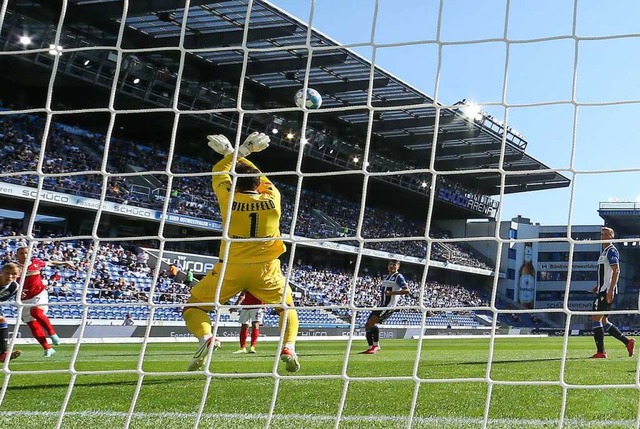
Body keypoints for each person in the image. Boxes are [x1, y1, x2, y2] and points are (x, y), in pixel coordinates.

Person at [182, 131, 300, 372]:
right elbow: (258, 176)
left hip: (230, 267)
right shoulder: (273, 197)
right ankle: (288, 346)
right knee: (286, 309)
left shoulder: (227, 196)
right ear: (259, 185)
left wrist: (232, 153)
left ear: (233, 183)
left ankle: (207, 338)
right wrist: (247, 151)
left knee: (194, 307)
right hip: (266, 269)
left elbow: (219, 170)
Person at [16, 246, 74, 357]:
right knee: (32, 324)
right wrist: (17, 289)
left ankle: (53, 334)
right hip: (23, 299)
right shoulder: (14, 267)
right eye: (21, 253)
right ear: (17, 255)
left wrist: (65, 262)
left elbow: (51, 263)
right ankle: (47, 348)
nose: (24, 255)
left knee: (36, 312)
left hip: (39, 293)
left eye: (26, 253)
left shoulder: (36, 263)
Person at [591, 226, 635, 359]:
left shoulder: (611, 251)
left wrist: (610, 290)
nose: (603, 237)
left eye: (606, 235)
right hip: (603, 289)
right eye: (602, 234)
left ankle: (601, 352)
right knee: (604, 320)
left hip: (606, 292)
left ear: (612, 237)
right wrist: (597, 286)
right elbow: (607, 273)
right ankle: (627, 342)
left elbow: (617, 270)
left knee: (595, 319)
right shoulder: (604, 252)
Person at [361, 260, 410, 354]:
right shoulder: (388, 277)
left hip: (388, 306)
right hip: (381, 305)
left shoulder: (398, 277)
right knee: (368, 324)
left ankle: (375, 346)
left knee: (370, 323)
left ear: (398, 267)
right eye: (390, 264)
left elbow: (406, 290)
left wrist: (391, 293)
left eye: (394, 265)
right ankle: (372, 346)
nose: (392, 266)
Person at [0, 262, 22, 363]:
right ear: (1, 272)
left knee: (2, 321)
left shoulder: (14, 287)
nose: (10, 276)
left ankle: (3, 353)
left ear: (18, 275)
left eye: (13, 274)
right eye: (7, 273)